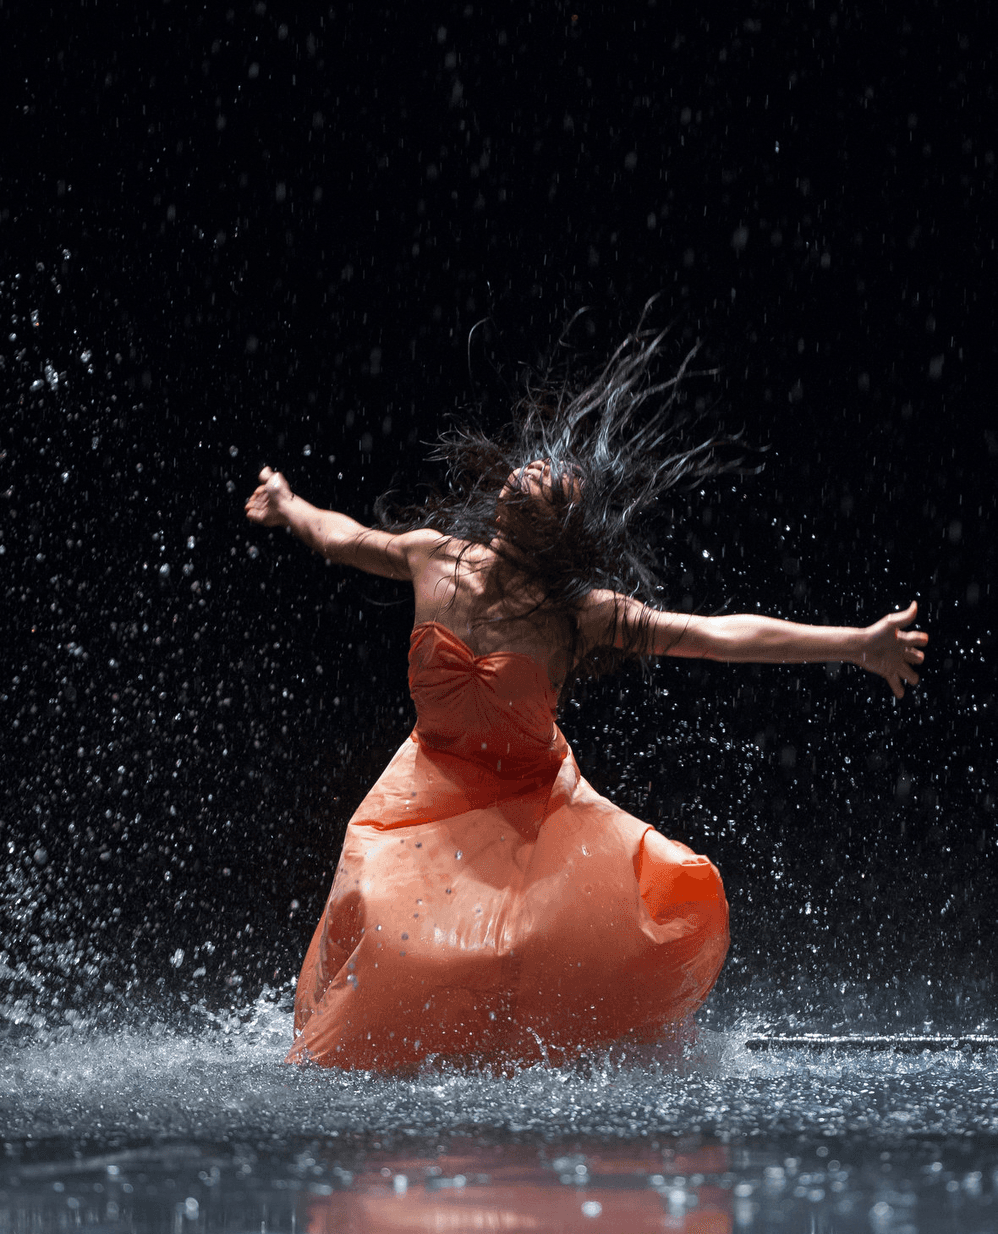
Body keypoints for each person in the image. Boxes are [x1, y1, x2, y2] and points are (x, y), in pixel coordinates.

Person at [245, 325, 928, 1071]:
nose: (531, 469)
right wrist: (288, 503)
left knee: (573, 925)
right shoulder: (433, 555)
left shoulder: (578, 614)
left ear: (558, 532)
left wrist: (856, 644)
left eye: (552, 481)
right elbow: (341, 536)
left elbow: (714, 636)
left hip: (531, 800)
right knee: (377, 909)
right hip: (426, 781)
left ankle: (509, 1044)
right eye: (532, 467)